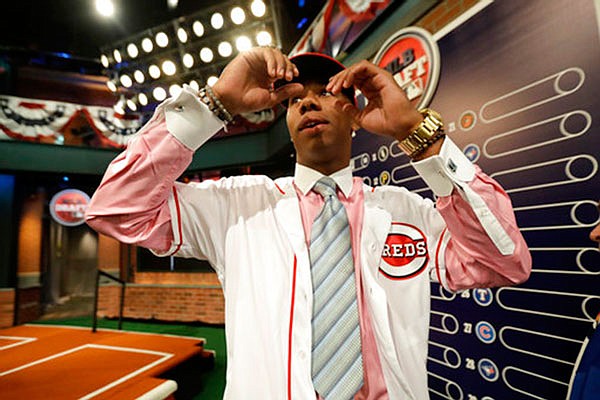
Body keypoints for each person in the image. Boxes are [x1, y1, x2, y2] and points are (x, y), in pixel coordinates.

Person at [85, 46, 532, 399]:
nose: (308, 103)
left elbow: (503, 261)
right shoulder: (236, 205)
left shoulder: (405, 210)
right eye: (295, 98)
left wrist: (416, 131)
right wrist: (216, 102)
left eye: (326, 91)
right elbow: (116, 208)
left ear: (356, 115)